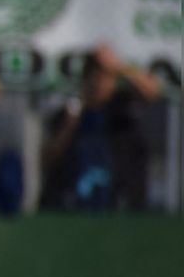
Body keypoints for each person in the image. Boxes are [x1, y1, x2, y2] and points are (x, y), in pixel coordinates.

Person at [41, 43, 161, 211]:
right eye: (94, 75)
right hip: (73, 203)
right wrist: (69, 126)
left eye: (106, 77)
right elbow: (47, 160)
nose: (98, 83)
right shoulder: (70, 112)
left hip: (120, 204)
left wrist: (118, 66)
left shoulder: (123, 108)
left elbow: (152, 92)